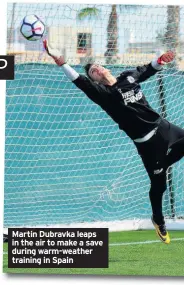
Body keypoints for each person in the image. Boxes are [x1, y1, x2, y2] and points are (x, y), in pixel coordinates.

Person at [43, 39, 184, 244]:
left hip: (163, 127)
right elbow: (79, 81)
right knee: (159, 185)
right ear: (95, 80)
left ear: (105, 68)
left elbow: (146, 70)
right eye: (92, 72)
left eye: (97, 67)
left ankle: (165, 164)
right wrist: (60, 61)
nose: (96, 70)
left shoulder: (127, 77)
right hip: (147, 143)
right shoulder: (103, 94)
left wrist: (161, 60)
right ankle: (158, 219)